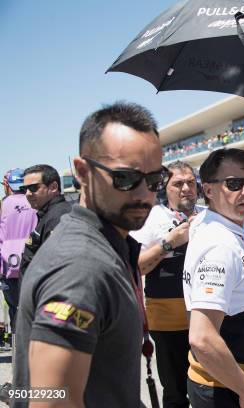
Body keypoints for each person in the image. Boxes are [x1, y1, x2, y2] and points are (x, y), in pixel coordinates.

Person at [13, 102, 166, 407]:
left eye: (154, 179)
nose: (143, 194)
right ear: (82, 172)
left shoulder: (108, 245)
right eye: (125, 178)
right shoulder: (81, 267)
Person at [183, 148, 244, 408]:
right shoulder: (220, 246)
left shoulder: (224, 221)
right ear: (209, 190)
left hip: (231, 383)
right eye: (234, 184)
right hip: (229, 390)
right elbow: (202, 338)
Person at [131, 160, 204, 408]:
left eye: (191, 183)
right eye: (179, 183)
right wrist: (169, 243)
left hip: (208, 317)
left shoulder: (209, 215)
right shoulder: (151, 218)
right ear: (165, 187)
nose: (186, 188)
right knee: (175, 394)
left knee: (210, 390)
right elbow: (135, 266)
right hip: (167, 320)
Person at [0, 169, 37, 338]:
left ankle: (17, 346)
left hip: (7, 264)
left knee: (14, 308)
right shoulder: (34, 202)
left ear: (8, 185)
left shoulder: (3, 204)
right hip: (31, 262)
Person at [19, 164, 72, 275]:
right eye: (24, 189)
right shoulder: (48, 214)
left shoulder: (58, 217)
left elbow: (58, 270)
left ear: (53, 187)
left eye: (33, 188)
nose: (28, 194)